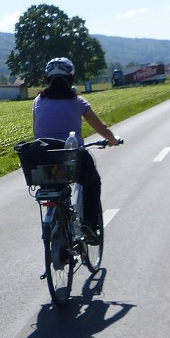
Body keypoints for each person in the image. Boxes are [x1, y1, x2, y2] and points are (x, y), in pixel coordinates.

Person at [31, 57, 119, 241]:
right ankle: (89, 224)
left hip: (45, 159)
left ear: (47, 78)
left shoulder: (38, 100)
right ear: (71, 78)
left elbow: (36, 132)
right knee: (92, 181)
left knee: (55, 185)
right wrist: (112, 139)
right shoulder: (77, 101)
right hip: (72, 157)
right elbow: (100, 127)